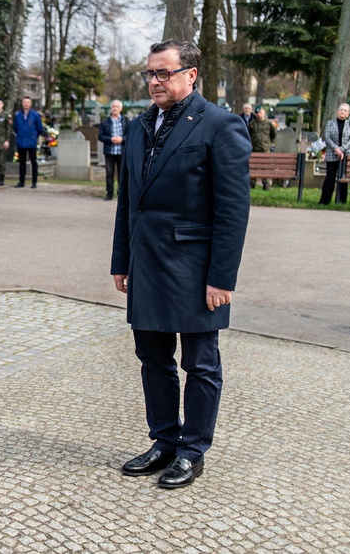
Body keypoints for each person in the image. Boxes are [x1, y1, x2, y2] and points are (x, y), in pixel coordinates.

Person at [110, 40, 251, 489]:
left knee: (201, 363)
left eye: (164, 73)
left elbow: (233, 210)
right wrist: (121, 259)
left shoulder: (220, 125)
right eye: (150, 74)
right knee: (152, 358)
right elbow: (128, 202)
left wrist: (221, 278)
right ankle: (164, 441)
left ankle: (193, 451)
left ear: (191, 75)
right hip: (146, 264)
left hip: (194, 268)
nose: (155, 81)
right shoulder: (137, 126)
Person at [320, 103, 350, 205]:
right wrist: (336, 149)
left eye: (345, 110)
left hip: (346, 155)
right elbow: (327, 137)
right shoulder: (330, 123)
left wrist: (342, 149)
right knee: (330, 178)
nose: (342, 112)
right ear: (337, 111)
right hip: (332, 154)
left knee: (343, 178)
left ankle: (341, 201)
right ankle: (324, 201)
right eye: (341, 109)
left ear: (348, 113)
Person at [98, 99, 129, 200]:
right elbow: (101, 136)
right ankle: (109, 193)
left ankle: (121, 194)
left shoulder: (126, 121)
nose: (114, 108)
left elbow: (130, 135)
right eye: (113, 107)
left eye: (117, 107)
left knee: (122, 174)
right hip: (109, 151)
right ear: (111, 108)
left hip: (122, 151)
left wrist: (122, 139)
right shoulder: (105, 122)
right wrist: (110, 139)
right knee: (109, 173)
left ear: (121, 108)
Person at [12, 97, 45, 188]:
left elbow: (39, 128)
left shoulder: (35, 115)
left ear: (30, 104)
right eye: (24, 102)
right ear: (22, 103)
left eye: (27, 102)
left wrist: (34, 136)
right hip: (21, 142)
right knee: (22, 162)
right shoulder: (18, 115)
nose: (26, 104)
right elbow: (15, 127)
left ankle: (34, 182)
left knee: (33, 162)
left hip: (31, 142)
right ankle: (21, 182)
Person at [248, 105, 277, 190]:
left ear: (263, 113)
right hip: (254, 149)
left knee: (265, 168)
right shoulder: (252, 124)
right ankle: (251, 184)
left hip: (264, 149)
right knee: (253, 167)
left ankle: (266, 185)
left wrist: (268, 143)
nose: (258, 115)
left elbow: (273, 134)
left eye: (260, 113)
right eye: (257, 113)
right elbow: (248, 134)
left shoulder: (268, 124)